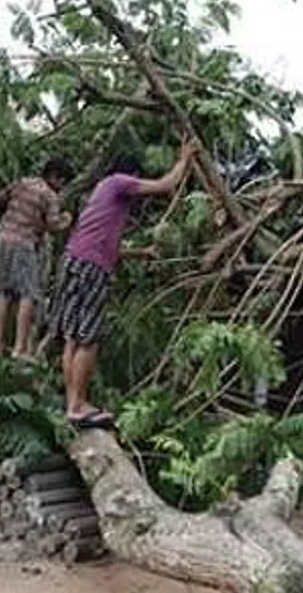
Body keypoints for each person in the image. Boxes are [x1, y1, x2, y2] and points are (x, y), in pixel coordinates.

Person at [50, 141, 194, 428]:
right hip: (91, 267)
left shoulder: (100, 192)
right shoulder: (119, 181)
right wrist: (184, 159)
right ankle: (78, 406)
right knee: (88, 338)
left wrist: (142, 253)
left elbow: (107, 246)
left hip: (74, 260)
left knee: (72, 337)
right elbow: (166, 185)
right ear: (131, 173)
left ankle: (72, 402)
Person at [0, 157, 75, 357]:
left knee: (4, 293)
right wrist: (66, 220)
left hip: (3, 240)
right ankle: (19, 348)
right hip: (24, 244)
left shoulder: (22, 182)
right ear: (54, 177)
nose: (62, 188)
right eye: (62, 182)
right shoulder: (49, 195)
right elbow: (53, 225)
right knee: (28, 295)